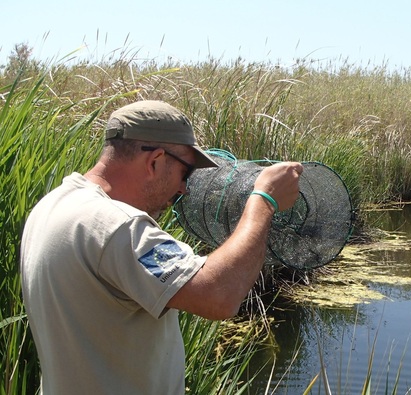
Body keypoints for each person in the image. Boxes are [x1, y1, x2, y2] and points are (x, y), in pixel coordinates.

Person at [20, 100, 303, 394]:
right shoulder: (119, 226)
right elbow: (218, 294)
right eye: (186, 173)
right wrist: (264, 200)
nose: (184, 189)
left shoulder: (54, 204)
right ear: (155, 161)